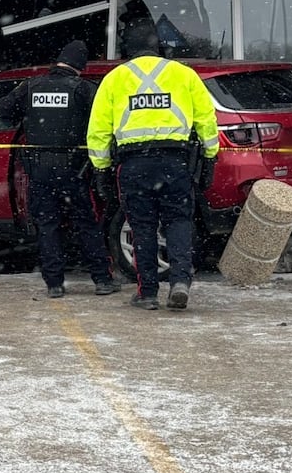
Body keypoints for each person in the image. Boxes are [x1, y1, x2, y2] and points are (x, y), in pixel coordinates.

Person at [87, 22, 219, 311]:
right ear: (159, 46)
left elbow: (98, 130)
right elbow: (207, 120)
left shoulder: (114, 78)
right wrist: (210, 157)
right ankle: (180, 281)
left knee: (142, 227)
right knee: (178, 221)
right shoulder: (184, 75)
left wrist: (100, 168)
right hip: (176, 162)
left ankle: (147, 292)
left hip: (134, 165)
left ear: (128, 49)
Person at [0, 40, 118, 298]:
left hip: (39, 170)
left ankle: (54, 283)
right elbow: (107, 119)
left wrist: (27, 115)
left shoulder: (30, 86)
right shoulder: (84, 89)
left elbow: (1, 111)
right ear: (80, 66)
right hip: (74, 169)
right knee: (86, 223)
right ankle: (102, 280)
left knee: (47, 226)